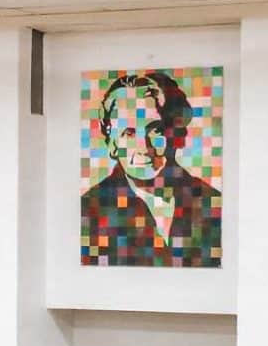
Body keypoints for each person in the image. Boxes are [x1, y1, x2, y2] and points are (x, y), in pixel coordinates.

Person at [82, 70, 221, 268]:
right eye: (128, 133)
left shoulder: (212, 204)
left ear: (174, 133)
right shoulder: (89, 212)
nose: (143, 146)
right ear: (112, 143)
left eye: (155, 130)